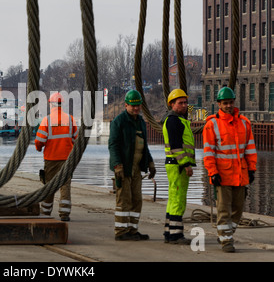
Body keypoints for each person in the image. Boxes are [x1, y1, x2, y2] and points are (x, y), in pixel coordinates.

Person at [203, 87, 257, 253]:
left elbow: (250, 149)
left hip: (240, 174)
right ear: (219, 104)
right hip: (222, 175)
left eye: (230, 102)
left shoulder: (244, 123)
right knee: (223, 209)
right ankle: (226, 241)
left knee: (238, 209)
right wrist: (213, 172)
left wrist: (252, 169)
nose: (228, 106)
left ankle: (226, 233)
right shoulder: (212, 125)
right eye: (225, 103)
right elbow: (209, 152)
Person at [108, 90, 156, 241]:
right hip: (124, 167)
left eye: (138, 106)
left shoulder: (140, 121)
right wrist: (117, 165)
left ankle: (132, 230)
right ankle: (121, 232)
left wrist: (150, 162)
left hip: (136, 168)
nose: (136, 109)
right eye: (133, 106)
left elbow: (144, 145)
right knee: (124, 200)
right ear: (126, 105)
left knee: (137, 199)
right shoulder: (119, 121)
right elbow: (113, 145)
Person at [35, 92, 78, 221]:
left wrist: (38, 148)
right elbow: (76, 140)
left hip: (51, 159)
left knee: (49, 185)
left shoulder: (47, 120)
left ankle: (46, 213)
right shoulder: (70, 119)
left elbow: (39, 140)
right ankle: (64, 214)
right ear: (61, 104)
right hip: (66, 159)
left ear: (51, 104)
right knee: (65, 185)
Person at [162, 89, 196, 244]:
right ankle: (175, 235)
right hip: (178, 165)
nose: (184, 105)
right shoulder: (174, 121)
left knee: (173, 198)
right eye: (180, 103)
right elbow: (176, 146)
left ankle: (169, 231)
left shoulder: (177, 120)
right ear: (172, 104)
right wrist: (186, 164)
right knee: (178, 199)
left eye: (185, 102)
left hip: (174, 165)